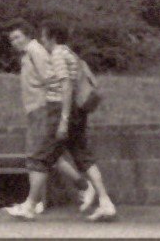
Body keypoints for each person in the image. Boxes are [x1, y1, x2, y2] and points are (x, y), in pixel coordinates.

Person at [2, 20, 95, 221]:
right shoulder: (29, 54)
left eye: (17, 37)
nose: (14, 41)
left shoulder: (35, 51)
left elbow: (51, 79)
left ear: (28, 35)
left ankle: (32, 204)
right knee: (50, 155)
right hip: (37, 110)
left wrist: (53, 110)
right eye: (11, 39)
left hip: (43, 109)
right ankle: (80, 187)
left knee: (38, 155)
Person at [41, 19, 117, 221]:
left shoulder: (57, 54)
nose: (42, 41)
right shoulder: (70, 54)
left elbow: (66, 86)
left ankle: (31, 204)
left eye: (43, 36)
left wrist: (64, 119)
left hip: (67, 111)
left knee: (41, 155)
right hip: (79, 111)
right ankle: (104, 200)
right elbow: (87, 81)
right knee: (82, 155)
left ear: (52, 37)